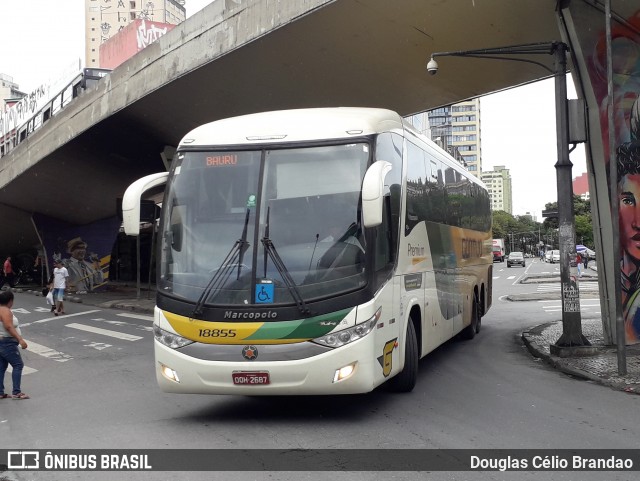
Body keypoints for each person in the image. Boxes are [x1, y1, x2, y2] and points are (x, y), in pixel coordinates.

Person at [0, 290, 29, 399]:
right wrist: (20, 339)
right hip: (7, 342)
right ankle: (16, 392)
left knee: (1, 367)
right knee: (18, 365)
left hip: (2, 342)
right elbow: (8, 326)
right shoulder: (5, 311)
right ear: (10, 301)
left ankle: (0, 392)